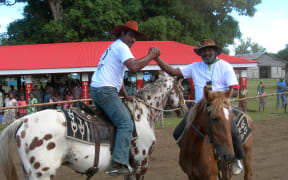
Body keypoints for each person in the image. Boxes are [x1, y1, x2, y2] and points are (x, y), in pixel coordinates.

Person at [153, 39, 243, 175]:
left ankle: (237, 159)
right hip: (198, 109)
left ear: (215, 51)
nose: (207, 53)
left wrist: (217, 96)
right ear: (200, 53)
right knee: (177, 132)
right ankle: (191, 157)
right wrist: (157, 58)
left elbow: (235, 90)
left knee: (234, 131)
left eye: (209, 50)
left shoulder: (225, 66)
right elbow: (172, 71)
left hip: (219, 108)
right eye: (204, 50)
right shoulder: (194, 67)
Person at [89, 20, 160, 175]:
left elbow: (118, 76)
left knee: (111, 122)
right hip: (105, 91)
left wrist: (126, 95)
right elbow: (134, 67)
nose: (133, 40)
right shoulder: (121, 47)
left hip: (98, 89)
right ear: (122, 34)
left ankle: (105, 152)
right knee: (126, 124)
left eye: (135, 37)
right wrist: (151, 56)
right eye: (131, 35)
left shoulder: (114, 47)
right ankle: (119, 162)